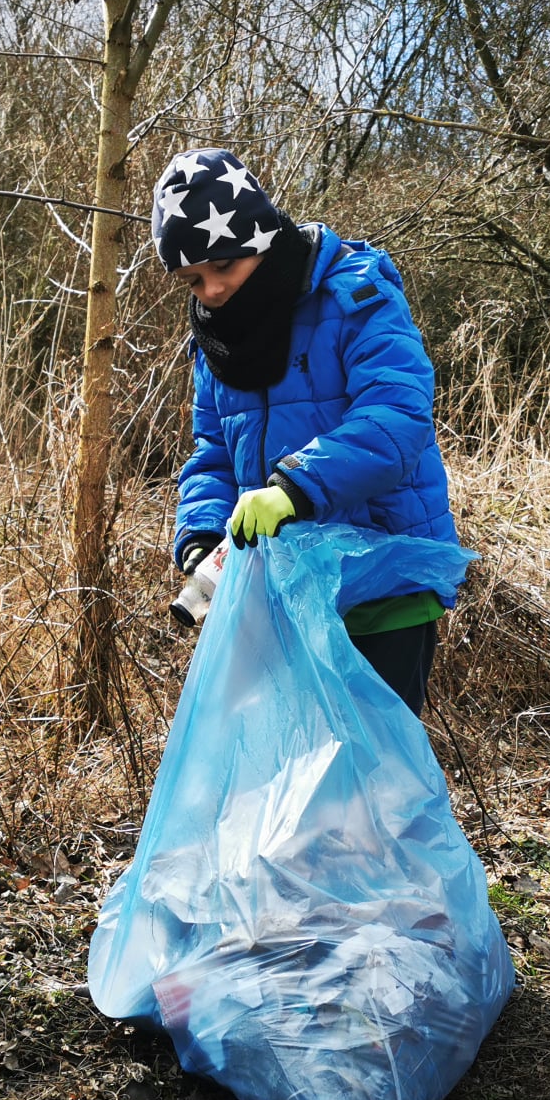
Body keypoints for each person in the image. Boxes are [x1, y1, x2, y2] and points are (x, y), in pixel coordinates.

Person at [155, 147, 461, 715]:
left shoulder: (356, 299)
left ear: (263, 240)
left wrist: (295, 486)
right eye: (193, 279)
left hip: (385, 578)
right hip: (285, 594)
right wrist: (200, 535)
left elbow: (398, 415)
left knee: (374, 784)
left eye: (224, 265)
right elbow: (214, 454)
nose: (212, 291)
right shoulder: (215, 347)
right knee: (297, 789)